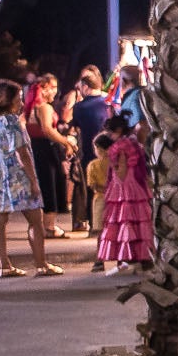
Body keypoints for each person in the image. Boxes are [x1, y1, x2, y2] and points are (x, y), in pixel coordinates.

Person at [0, 79, 63, 278]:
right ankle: (41, 264)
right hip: (15, 173)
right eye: (18, 99)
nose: (21, 103)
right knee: (35, 219)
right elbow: (22, 153)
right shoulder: (11, 121)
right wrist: (33, 181)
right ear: (6, 100)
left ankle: (5, 267)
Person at [97, 114, 153, 273]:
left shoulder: (119, 147)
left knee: (123, 221)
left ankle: (125, 255)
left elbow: (121, 172)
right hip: (135, 185)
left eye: (111, 132)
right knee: (140, 222)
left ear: (119, 130)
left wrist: (113, 166)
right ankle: (143, 256)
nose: (109, 135)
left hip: (123, 188)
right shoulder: (133, 145)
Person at [22, 75, 74, 234]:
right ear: (44, 89)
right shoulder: (44, 107)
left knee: (44, 185)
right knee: (50, 185)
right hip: (46, 149)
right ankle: (49, 226)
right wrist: (66, 142)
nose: (55, 91)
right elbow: (47, 129)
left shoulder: (31, 107)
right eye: (53, 87)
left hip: (36, 148)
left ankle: (43, 225)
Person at [67, 67, 110, 232]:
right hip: (109, 151)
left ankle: (94, 223)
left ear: (85, 86)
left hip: (88, 152)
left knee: (93, 189)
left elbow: (76, 127)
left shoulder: (80, 107)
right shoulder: (108, 103)